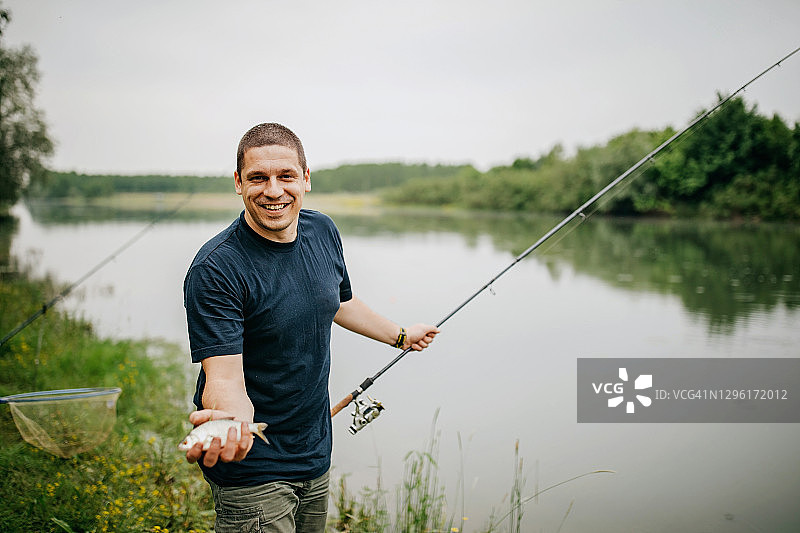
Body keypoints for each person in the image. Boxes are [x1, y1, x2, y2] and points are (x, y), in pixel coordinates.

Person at [182, 122, 439, 532]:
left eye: (286, 176)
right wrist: (231, 425)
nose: (273, 190)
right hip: (254, 468)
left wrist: (402, 335)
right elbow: (224, 375)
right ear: (237, 182)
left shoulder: (322, 230)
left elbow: (337, 301)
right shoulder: (217, 269)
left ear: (306, 178)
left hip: (315, 450)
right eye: (258, 178)